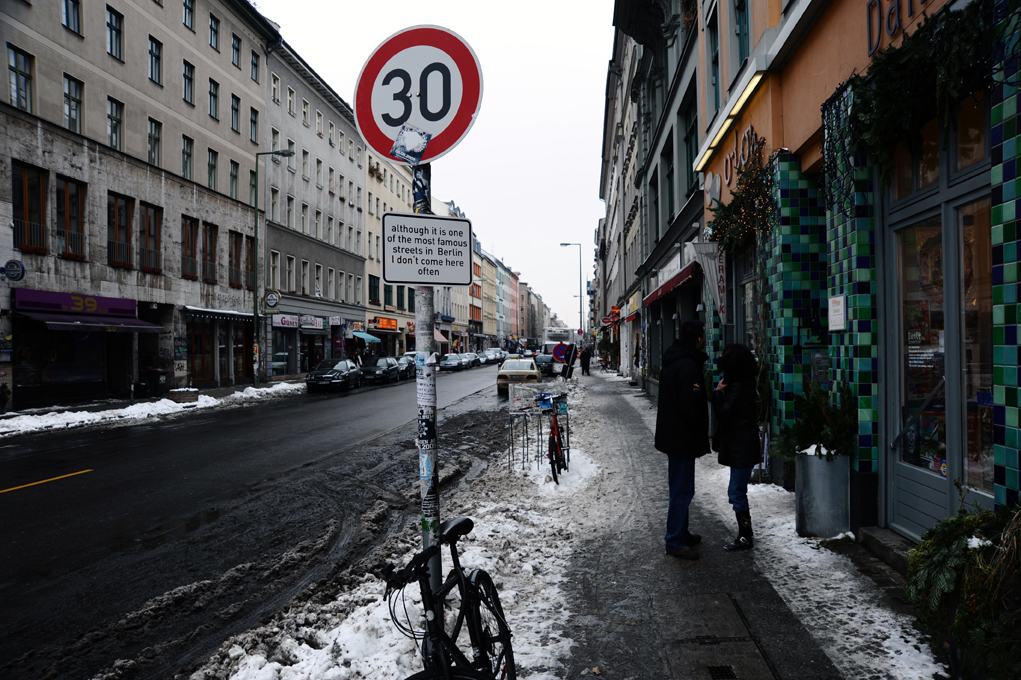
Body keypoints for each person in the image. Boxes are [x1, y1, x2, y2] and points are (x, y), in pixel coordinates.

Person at [654, 320, 711, 560]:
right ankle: (675, 540)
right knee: (681, 490)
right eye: (703, 335)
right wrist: (700, 434)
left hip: (675, 434)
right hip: (681, 437)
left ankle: (681, 533)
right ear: (697, 339)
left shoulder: (676, 360)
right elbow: (691, 406)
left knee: (683, 488)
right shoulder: (687, 366)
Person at [712, 343, 760, 551]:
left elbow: (724, 413)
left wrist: (718, 393)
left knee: (736, 492)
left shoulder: (737, 388)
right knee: (737, 492)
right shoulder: (747, 384)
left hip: (741, 446)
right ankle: (745, 533)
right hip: (744, 445)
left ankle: (745, 535)